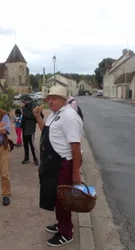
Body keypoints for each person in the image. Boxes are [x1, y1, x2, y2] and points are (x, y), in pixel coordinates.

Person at [33, 85, 83, 247]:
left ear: (63, 99)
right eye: (49, 98)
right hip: (51, 164)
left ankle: (66, 232)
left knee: (62, 199)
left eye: (53, 98)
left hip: (63, 163)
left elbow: (75, 147)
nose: (49, 101)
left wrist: (76, 172)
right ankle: (62, 223)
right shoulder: (54, 115)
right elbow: (46, 133)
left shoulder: (70, 116)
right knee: (55, 197)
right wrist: (38, 117)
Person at [21, 96, 42, 165]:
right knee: (25, 143)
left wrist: (24, 109)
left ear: (28, 100)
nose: (23, 103)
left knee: (32, 143)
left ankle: (35, 158)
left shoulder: (34, 105)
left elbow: (33, 115)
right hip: (25, 126)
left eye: (24, 101)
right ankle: (26, 157)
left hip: (30, 127)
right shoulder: (27, 105)